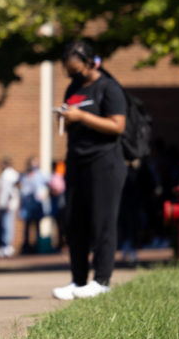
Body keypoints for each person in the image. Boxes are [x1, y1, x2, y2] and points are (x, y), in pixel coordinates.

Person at [52, 41, 127, 300]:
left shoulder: (109, 88)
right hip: (77, 161)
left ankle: (102, 281)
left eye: (77, 70)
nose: (73, 75)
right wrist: (64, 118)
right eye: (69, 71)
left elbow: (117, 126)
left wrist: (81, 117)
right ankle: (78, 280)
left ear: (89, 63)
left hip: (105, 162)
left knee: (102, 221)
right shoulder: (73, 88)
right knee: (74, 222)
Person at [17, 156, 49, 254]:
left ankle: (38, 246)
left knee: (37, 225)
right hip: (27, 205)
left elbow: (48, 183)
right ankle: (26, 245)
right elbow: (19, 185)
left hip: (37, 204)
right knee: (27, 226)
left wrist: (44, 194)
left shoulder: (40, 175)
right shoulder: (24, 176)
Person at [0, 157, 20, 258]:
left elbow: (11, 192)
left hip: (7, 205)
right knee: (2, 226)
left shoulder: (9, 175)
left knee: (7, 225)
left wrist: (8, 204)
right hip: (3, 204)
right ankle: (3, 246)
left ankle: (7, 246)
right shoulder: (6, 174)